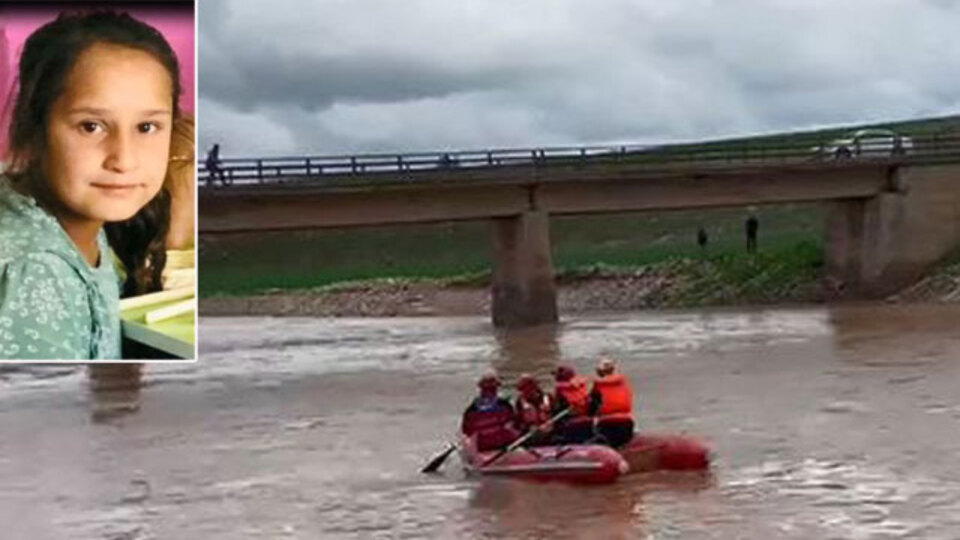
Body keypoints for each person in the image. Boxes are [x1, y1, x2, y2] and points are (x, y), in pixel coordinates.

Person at [0, 11, 183, 359]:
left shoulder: (72, 220)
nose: (124, 160)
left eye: (146, 128)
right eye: (91, 127)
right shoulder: (35, 272)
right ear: (34, 128)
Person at [461, 373, 521, 452]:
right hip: (503, 443)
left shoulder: (472, 409)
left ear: (481, 389)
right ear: (496, 389)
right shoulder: (504, 405)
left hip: (483, 445)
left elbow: (467, 431)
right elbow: (515, 423)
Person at [588, 357, 636, 447]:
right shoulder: (623, 383)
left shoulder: (598, 386)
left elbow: (591, 409)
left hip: (607, 425)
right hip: (627, 422)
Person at [551, 365, 597, 444]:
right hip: (587, 421)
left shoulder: (561, 391)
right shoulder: (581, 386)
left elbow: (556, 410)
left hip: (570, 424)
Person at [513, 374, 555, 446]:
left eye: (524, 388)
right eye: (522, 389)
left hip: (549, 432)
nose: (523, 392)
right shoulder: (520, 402)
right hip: (530, 433)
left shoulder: (548, 398)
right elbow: (518, 421)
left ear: (534, 387)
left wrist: (549, 423)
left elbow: (555, 413)